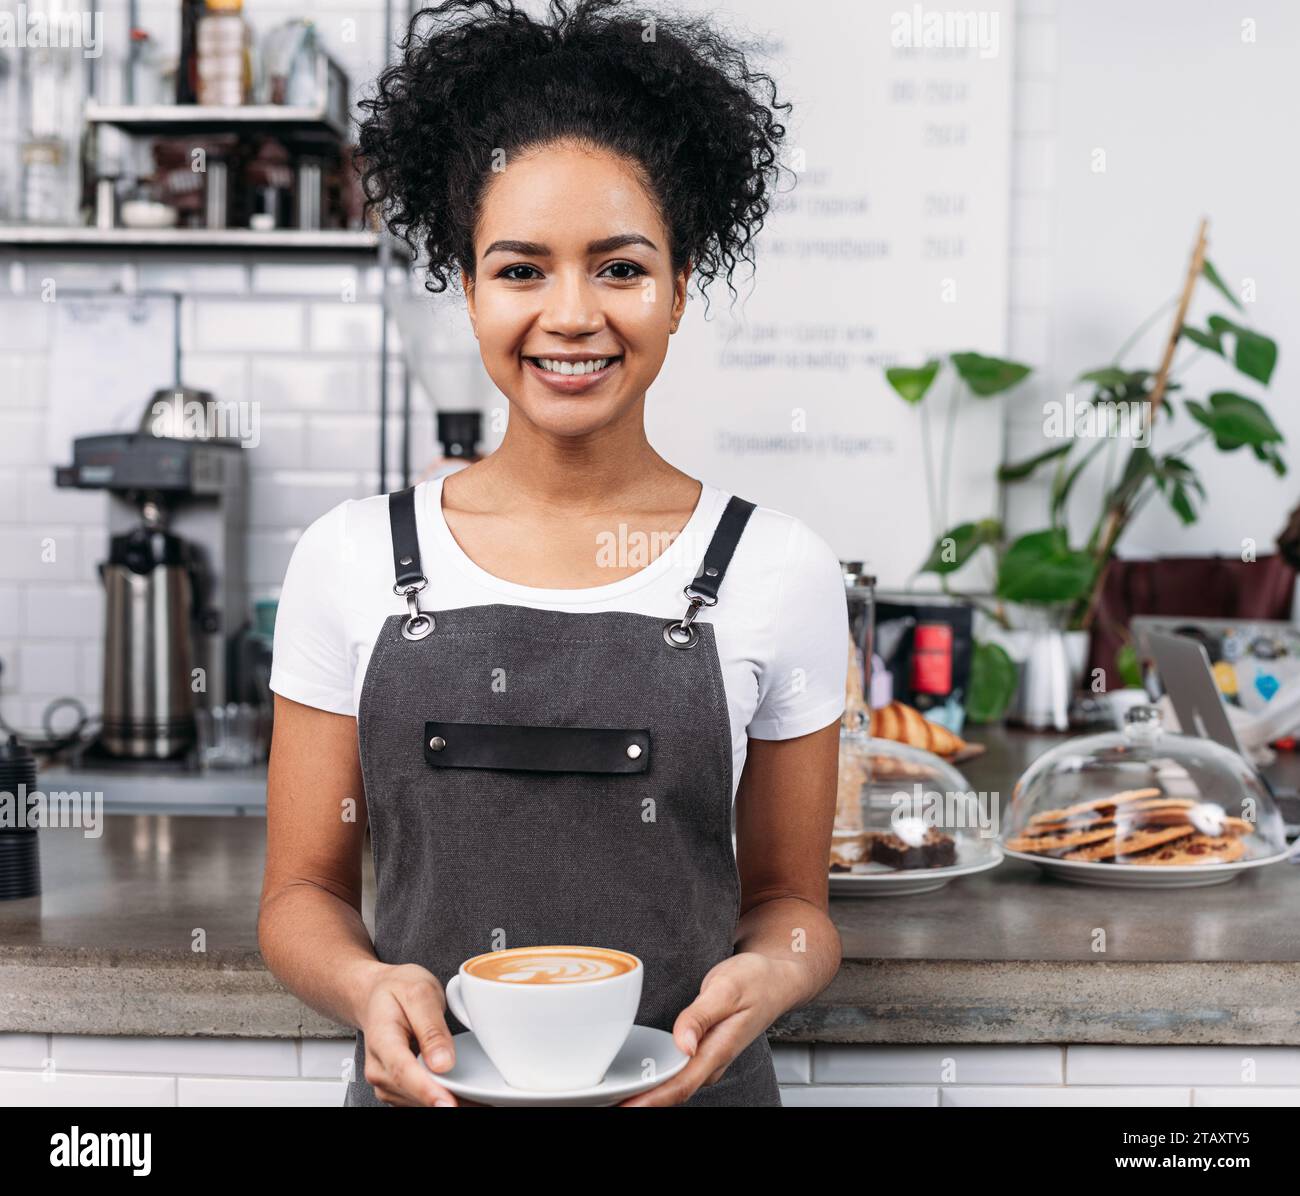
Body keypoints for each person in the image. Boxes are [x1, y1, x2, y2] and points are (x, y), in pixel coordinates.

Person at [259, 0, 848, 1107]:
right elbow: (298, 892)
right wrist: (363, 985)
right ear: (468, 285)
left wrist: (771, 972)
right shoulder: (350, 558)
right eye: (521, 269)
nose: (570, 315)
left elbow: (792, 902)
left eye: (619, 268)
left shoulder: (777, 567)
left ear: (679, 289)